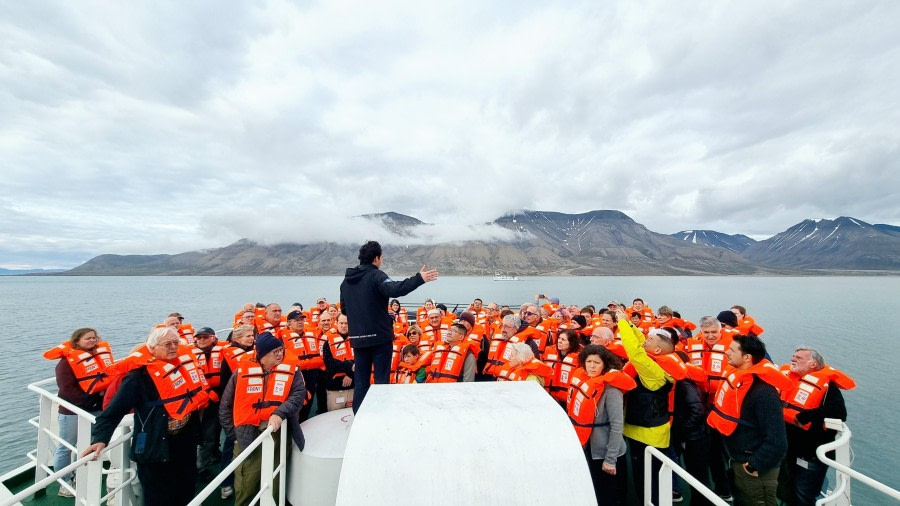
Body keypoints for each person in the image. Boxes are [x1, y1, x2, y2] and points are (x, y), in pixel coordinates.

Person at [82, 327, 211, 506]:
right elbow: (113, 412)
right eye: (167, 344)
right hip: (156, 445)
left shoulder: (182, 368)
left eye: (176, 343)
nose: (173, 347)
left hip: (184, 442)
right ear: (152, 348)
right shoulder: (137, 378)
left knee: (187, 488)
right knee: (158, 496)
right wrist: (100, 438)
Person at [340, 240, 438, 413]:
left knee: (361, 382)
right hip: (379, 339)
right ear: (377, 258)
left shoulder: (346, 282)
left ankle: (359, 417)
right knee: (381, 381)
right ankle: (380, 415)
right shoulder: (376, 276)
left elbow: (345, 310)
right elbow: (394, 289)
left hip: (357, 340)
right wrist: (419, 279)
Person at [219, 333, 306, 506]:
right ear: (262, 354)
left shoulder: (292, 372)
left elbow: (298, 395)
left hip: (278, 435)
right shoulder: (239, 374)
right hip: (248, 436)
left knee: (276, 480)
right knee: (247, 484)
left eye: (281, 350)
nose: (280, 354)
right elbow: (224, 407)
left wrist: (279, 412)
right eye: (275, 351)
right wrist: (233, 435)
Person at [707, 335, 791, 506]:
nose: (726, 353)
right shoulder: (740, 383)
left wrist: (752, 466)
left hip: (754, 467)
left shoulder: (763, 393)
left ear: (747, 358)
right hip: (739, 458)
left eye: (731, 350)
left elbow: (778, 441)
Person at [616, 309, 681, 506]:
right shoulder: (657, 360)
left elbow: (635, 352)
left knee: (647, 478)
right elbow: (641, 344)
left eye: (650, 340)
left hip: (647, 433)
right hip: (645, 429)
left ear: (658, 351)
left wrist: (623, 324)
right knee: (645, 474)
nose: (646, 340)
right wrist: (632, 326)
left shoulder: (654, 372)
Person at [777, 347, 855, 506]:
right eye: (793, 356)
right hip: (788, 448)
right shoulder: (790, 379)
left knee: (803, 493)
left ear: (812, 364)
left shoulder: (827, 388)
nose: (793, 359)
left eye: (798, 357)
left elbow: (839, 412)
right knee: (785, 488)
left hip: (809, 453)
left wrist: (806, 415)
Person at [43, 328, 114, 496]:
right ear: (77, 341)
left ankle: (82, 475)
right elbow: (67, 390)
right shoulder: (65, 363)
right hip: (72, 412)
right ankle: (64, 483)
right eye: (87, 338)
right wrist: (91, 400)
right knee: (66, 447)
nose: (92, 341)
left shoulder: (97, 359)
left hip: (95, 410)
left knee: (89, 444)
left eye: (94, 338)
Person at [567, 345, 636, 506]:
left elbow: (617, 426)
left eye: (596, 363)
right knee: (595, 491)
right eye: (589, 361)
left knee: (609, 496)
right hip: (589, 448)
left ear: (605, 365)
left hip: (606, 453)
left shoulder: (611, 390)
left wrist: (610, 460)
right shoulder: (586, 381)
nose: (592, 366)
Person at [192, 327, 227, 477]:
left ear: (213, 337)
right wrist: (206, 392)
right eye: (198, 338)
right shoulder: (191, 356)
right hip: (203, 398)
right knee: (207, 433)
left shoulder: (223, 352)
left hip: (222, 395)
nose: (201, 340)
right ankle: (201, 467)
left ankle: (214, 453)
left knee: (219, 427)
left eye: (205, 337)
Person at [545, 329, 583, 406]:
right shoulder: (549, 351)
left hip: (567, 399)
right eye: (559, 338)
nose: (559, 341)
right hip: (549, 394)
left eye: (563, 340)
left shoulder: (579, 357)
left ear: (571, 343)